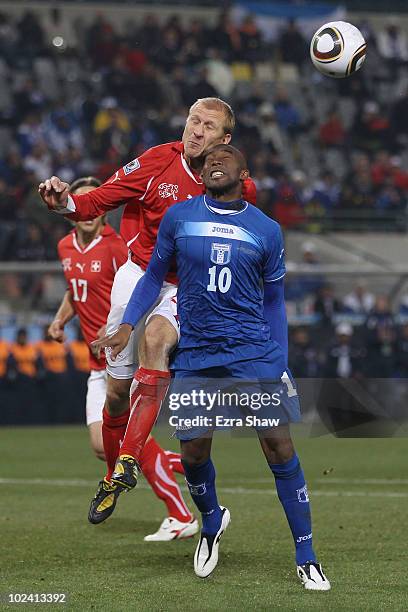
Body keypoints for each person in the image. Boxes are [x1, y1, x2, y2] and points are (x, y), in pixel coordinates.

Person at [93, 145, 330, 590]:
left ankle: (306, 554)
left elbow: (274, 301)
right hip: (197, 353)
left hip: (251, 353)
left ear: (245, 172)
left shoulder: (267, 230)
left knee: (279, 449)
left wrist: (277, 360)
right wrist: (127, 326)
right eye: (206, 161)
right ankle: (210, 523)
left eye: (224, 157)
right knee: (195, 453)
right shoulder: (179, 218)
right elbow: (151, 278)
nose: (212, 162)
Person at [38, 97, 256, 524]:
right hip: (137, 277)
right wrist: (63, 203)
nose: (195, 130)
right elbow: (95, 202)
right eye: (193, 120)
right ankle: (113, 477)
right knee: (116, 392)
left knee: (156, 341)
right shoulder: (158, 160)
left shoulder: (234, 187)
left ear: (224, 139)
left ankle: (128, 463)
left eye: (208, 126)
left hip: (187, 287)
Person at [50, 175, 198, 541]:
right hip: (94, 360)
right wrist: (60, 318)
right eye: (80, 202)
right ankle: (185, 466)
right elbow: (75, 289)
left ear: (102, 213)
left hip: (119, 356)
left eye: (93, 206)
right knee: (103, 448)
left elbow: (146, 286)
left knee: (124, 445)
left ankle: (180, 513)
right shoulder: (65, 247)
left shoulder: (118, 248)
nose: (87, 214)